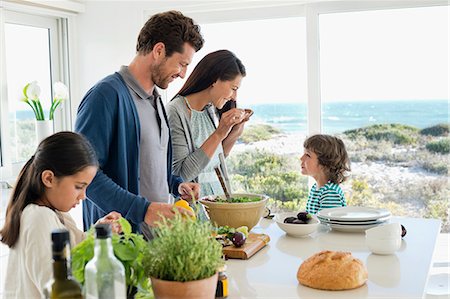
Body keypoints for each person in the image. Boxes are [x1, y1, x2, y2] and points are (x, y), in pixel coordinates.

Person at [74, 11, 204, 235]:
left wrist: (175, 185)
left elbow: (149, 167)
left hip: (156, 242)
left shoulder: (157, 99)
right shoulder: (105, 96)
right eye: (181, 64)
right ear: (159, 50)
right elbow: (85, 176)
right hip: (121, 244)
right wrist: (144, 210)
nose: (183, 75)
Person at [0, 132, 122, 299]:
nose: (83, 196)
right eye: (79, 186)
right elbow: (58, 287)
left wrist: (99, 232)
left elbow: (75, 247)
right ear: (49, 178)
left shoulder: (55, 212)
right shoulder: (38, 218)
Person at [166, 50, 251, 197]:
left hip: (216, 205)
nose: (234, 97)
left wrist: (235, 131)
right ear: (215, 79)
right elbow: (181, 175)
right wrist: (219, 133)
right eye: (233, 88)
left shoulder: (209, 110)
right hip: (191, 211)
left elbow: (215, 160)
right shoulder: (175, 112)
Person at [300, 134, 351, 214]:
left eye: (308, 155)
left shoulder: (330, 193)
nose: (301, 158)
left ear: (324, 164)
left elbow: (327, 225)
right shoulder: (316, 188)